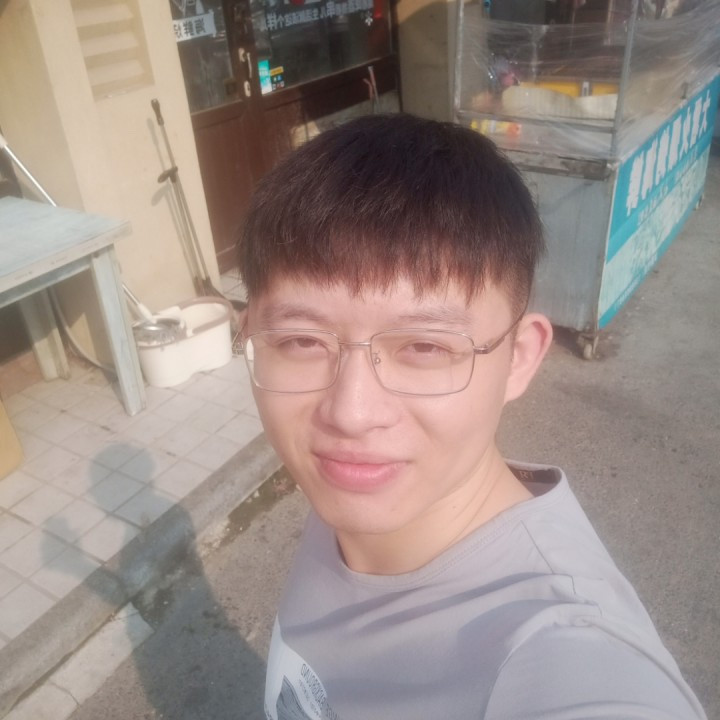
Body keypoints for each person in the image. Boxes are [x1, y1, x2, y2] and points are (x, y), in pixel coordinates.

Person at [237, 114, 706, 720]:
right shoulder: (359, 487)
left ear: (520, 358)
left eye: (425, 347)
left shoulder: (560, 651)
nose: (350, 413)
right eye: (302, 341)